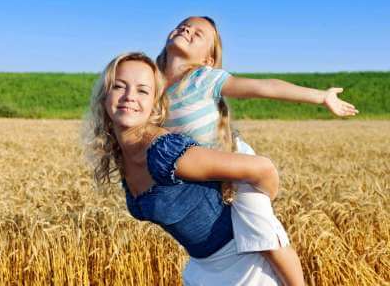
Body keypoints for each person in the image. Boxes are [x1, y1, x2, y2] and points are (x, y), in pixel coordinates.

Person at [155, 16, 359, 283]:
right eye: (184, 26)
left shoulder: (204, 78)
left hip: (239, 168)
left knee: (263, 236)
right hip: (203, 172)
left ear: (208, 59)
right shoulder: (152, 87)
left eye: (199, 33)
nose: (187, 30)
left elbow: (265, 87)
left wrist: (321, 97)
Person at [83, 52, 305, 285]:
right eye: (119, 86)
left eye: (142, 90)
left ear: (154, 104)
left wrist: (259, 211)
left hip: (247, 268)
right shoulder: (122, 154)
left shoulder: (165, 153)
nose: (129, 96)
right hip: (204, 271)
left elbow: (263, 169)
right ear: (105, 95)